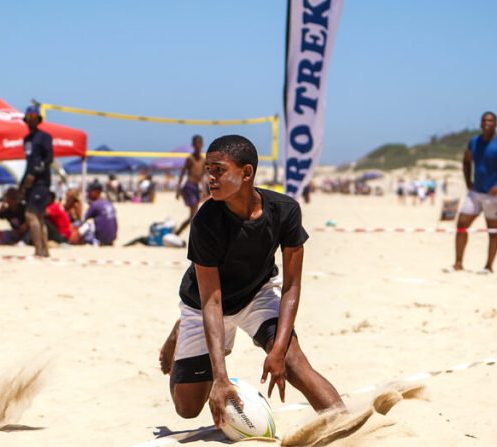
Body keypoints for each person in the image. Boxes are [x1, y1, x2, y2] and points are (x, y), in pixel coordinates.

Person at [159, 135, 345, 429]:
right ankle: (182, 328)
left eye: (219, 170)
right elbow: (212, 301)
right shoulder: (206, 220)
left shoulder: (285, 210)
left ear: (246, 173)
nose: (210, 177)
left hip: (255, 295)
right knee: (188, 408)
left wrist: (279, 350)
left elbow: (291, 287)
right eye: (208, 169)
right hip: (203, 304)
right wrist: (220, 377)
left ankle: (345, 425)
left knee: (295, 364)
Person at [453, 111, 497, 273]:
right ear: (480, 123)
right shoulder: (474, 142)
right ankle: (458, 263)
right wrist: (468, 181)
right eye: (484, 120)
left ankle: (489, 266)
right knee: (462, 224)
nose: (487, 123)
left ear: (496, 124)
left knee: (492, 230)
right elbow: (466, 161)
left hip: (494, 194)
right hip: (476, 191)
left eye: (490, 121)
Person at [20, 104, 53, 258]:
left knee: (31, 214)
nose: (31, 120)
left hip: (41, 182)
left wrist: (35, 173)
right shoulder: (26, 140)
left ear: (38, 119)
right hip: (31, 183)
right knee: (38, 217)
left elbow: (48, 159)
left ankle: (39, 250)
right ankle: (44, 250)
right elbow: (28, 163)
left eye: (34, 117)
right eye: (29, 118)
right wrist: (22, 184)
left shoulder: (44, 137)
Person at [175, 135, 205, 235]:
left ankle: (178, 232)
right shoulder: (190, 159)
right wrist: (178, 189)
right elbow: (182, 173)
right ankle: (194, 235)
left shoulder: (203, 160)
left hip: (196, 188)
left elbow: (203, 177)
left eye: (199, 143)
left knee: (193, 215)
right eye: (196, 143)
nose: (198, 145)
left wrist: (204, 190)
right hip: (189, 187)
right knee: (194, 214)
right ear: (193, 145)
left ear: (202, 144)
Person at [75, 181, 118, 246]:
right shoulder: (108, 203)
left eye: (89, 192)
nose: (88, 194)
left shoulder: (95, 205)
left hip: (101, 239)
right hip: (112, 238)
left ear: (96, 192)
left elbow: (83, 220)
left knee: (83, 225)